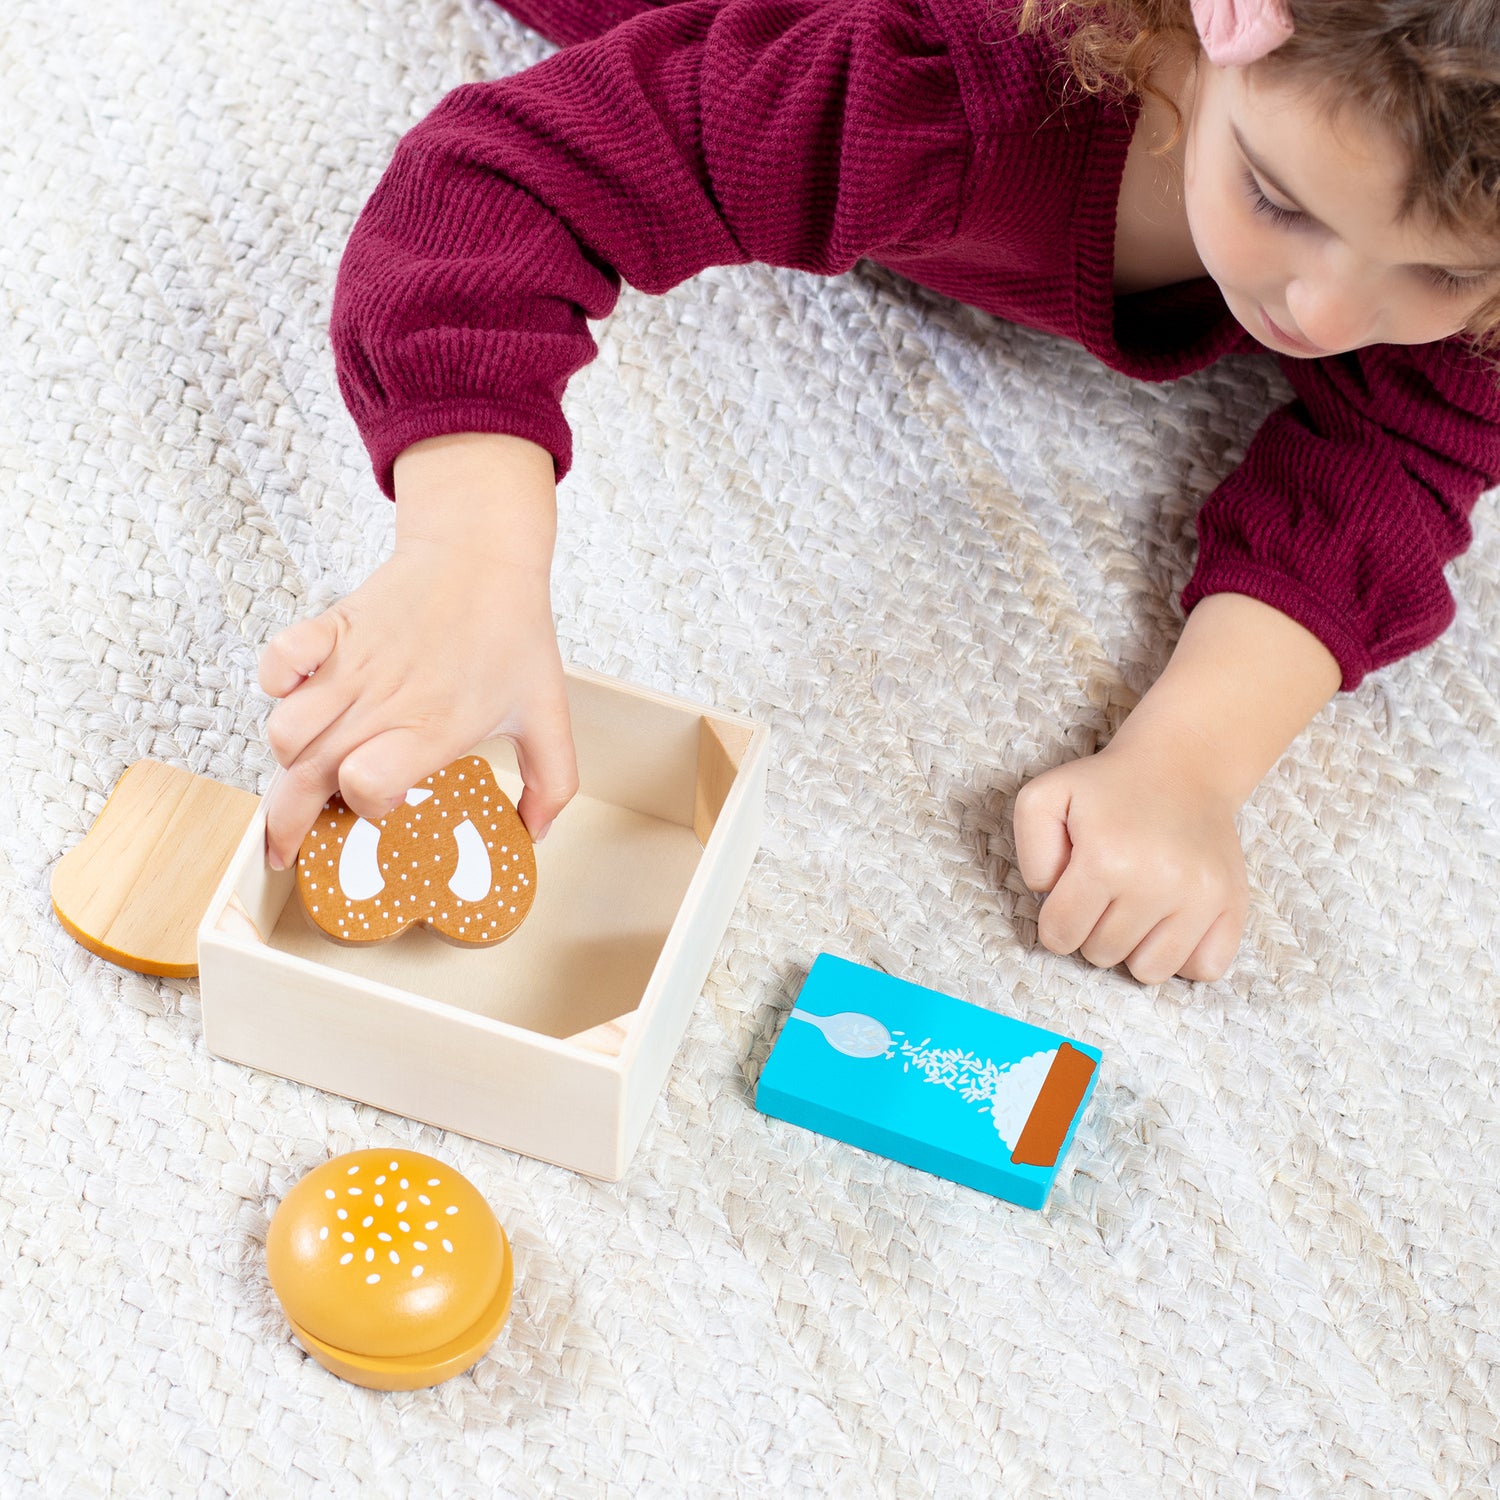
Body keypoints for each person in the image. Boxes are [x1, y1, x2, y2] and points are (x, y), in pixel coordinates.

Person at [258, 0, 1500, 983]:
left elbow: (1413, 446)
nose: (1328, 317)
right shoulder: (939, 90)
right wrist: (469, 554)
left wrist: (1190, 761)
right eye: (1275, 200)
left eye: (1440, 275)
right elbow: (505, 184)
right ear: (1184, 30)